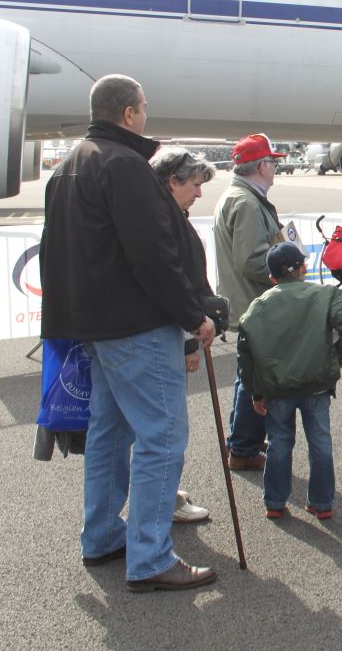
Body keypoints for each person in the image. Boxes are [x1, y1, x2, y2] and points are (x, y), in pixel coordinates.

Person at [41, 74, 217, 592]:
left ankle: (101, 536)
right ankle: (150, 557)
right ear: (129, 114)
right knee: (162, 438)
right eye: (143, 106)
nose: (145, 113)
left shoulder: (70, 164)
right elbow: (152, 256)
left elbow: (57, 249)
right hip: (135, 325)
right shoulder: (124, 166)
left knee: (109, 433)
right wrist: (193, 314)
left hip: (93, 325)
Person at [241, 243, 342, 521]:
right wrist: (338, 359)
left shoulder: (258, 306)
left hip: (277, 388)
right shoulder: (325, 294)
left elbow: (246, 353)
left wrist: (255, 391)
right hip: (317, 383)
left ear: (272, 277)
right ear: (303, 268)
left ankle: (275, 501)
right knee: (320, 441)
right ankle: (322, 503)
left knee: (279, 442)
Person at [149, 146, 218, 524]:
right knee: (166, 431)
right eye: (193, 184)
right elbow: (175, 284)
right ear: (171, 181)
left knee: (158, 430)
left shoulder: (171, 216)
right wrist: (193, 335)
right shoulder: (164, 221)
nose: (199, 192)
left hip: (173, 331)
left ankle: (165, 499)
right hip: (167, 335)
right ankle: (163, 508)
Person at [214, 133, 287, 471]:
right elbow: (252, 260)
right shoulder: (245, 202)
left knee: (250, 377)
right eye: (273, 162)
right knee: (254, 379)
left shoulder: (241, 197)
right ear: (262, 166)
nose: (275, 169)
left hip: (247, 303)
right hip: (253, 305)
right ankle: (243, 447)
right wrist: (288, 267)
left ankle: (243, 443)